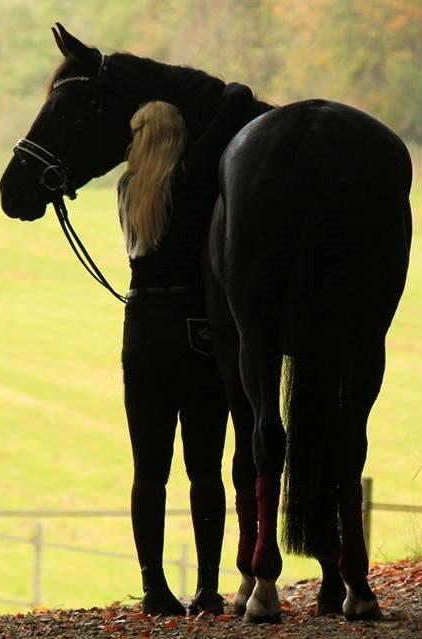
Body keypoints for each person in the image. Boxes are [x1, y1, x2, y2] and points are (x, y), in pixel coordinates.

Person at [118, 83, 254, 616]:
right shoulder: (193, 179)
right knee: (205, 469)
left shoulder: (128, 188)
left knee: (149, 470)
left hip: (141, 329)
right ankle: (206, 587)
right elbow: (239, 98)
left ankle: (153, 585)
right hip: (195, 333)